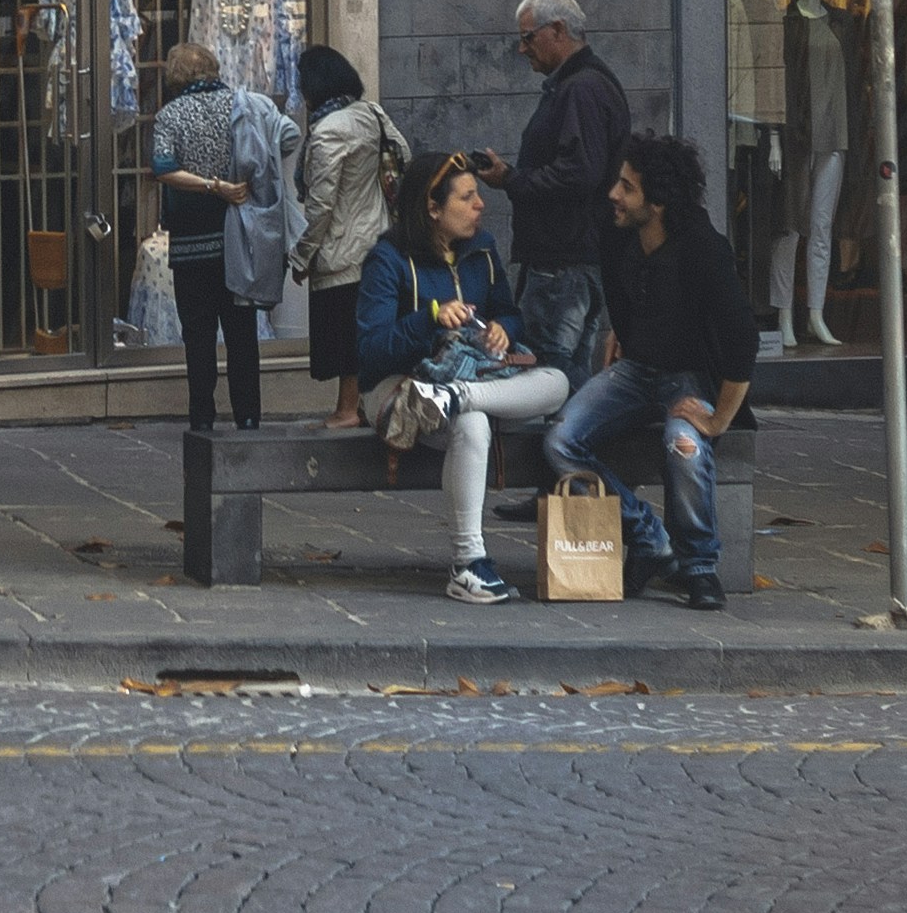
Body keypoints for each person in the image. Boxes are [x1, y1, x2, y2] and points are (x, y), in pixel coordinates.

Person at [547, 131, 756, 611]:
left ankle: (699, 567)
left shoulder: (703, 248)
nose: (613, 196)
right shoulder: (616, 234)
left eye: (627, 187)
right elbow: (619, 307)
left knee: (683, 444)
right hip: (636, 371)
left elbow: (742, 338)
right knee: (560, 439)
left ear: (658, 201)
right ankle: (648, 537)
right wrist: (621, 340)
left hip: (690, 376)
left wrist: (719, 419)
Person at [355, 147, 569, 605]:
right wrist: (431, 317)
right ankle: (469, 563)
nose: (480, 205)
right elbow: (371, 353)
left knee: (558, 383)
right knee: (472, 423)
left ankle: (459, 396)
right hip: (402, 388)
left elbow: (511, 315)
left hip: (467, 381)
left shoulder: (483, 250)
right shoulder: (388, 259)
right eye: (467, 197)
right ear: (433, 208)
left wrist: (502, 331)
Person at [144, 39, 281, 435]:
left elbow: (164, 168)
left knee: (198, 337)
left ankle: (202, 417)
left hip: (190, 244)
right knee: (242, 335)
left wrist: (209, 185)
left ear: (176, 77)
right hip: (239, 239)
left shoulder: (170, 114)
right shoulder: (244, 107)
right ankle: (249, 416)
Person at [499, 0, 632, 379]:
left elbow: (579, 172)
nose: (523, 49)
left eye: (527, 37)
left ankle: (555, 441)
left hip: (564, 261)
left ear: (556, 30)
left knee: (545, 375)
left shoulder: (583, 88)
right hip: (573, 256)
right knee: (564, 377)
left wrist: (511, 179)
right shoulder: (583, 84)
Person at [293, 45, 409, 434]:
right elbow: (403, 154)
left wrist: (301, 255)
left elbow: (321, 202)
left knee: (343, 334)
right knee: (362, 327)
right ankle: (355, 405)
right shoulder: (370, 113)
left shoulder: (327, 131)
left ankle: (346, 409)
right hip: (378, 236)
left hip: (340, 245)